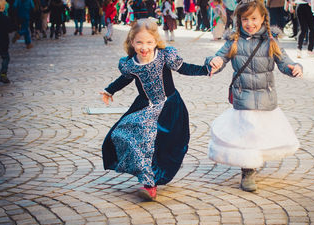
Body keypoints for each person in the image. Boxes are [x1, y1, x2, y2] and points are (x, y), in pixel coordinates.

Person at [100, 18, 211, 201]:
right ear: (132, 42)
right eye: (139, 42)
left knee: (165, 145)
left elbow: (184, 68)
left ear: (156, 42)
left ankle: (155, 177)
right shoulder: (130, 64)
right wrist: (109, 90)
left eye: (149, 42)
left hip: (170, 107)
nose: (144, 47)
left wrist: (205, 70)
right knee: (127, 135)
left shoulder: (165, 57)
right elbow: (124, 80)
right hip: (146, 107)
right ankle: (148, 182)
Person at [207, 0, 302, 192]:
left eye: (254, 18)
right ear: (239, 20)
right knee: (247, 135)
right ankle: (248, 172)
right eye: (245, 19)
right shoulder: (233, 41)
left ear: (263, 19)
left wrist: (295, 68)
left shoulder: (271, 40)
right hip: (243, 98)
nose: (250, 23)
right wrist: (214, 62)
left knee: (261, 133)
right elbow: (220, 57)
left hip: (266, 97)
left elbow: (284, 62)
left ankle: (254, 162)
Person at [0, 0, 16, 83]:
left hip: (3, 41)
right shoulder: (5, 18)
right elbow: (10, 29)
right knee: (6, 57)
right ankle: (3, 74)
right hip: (2, 42)